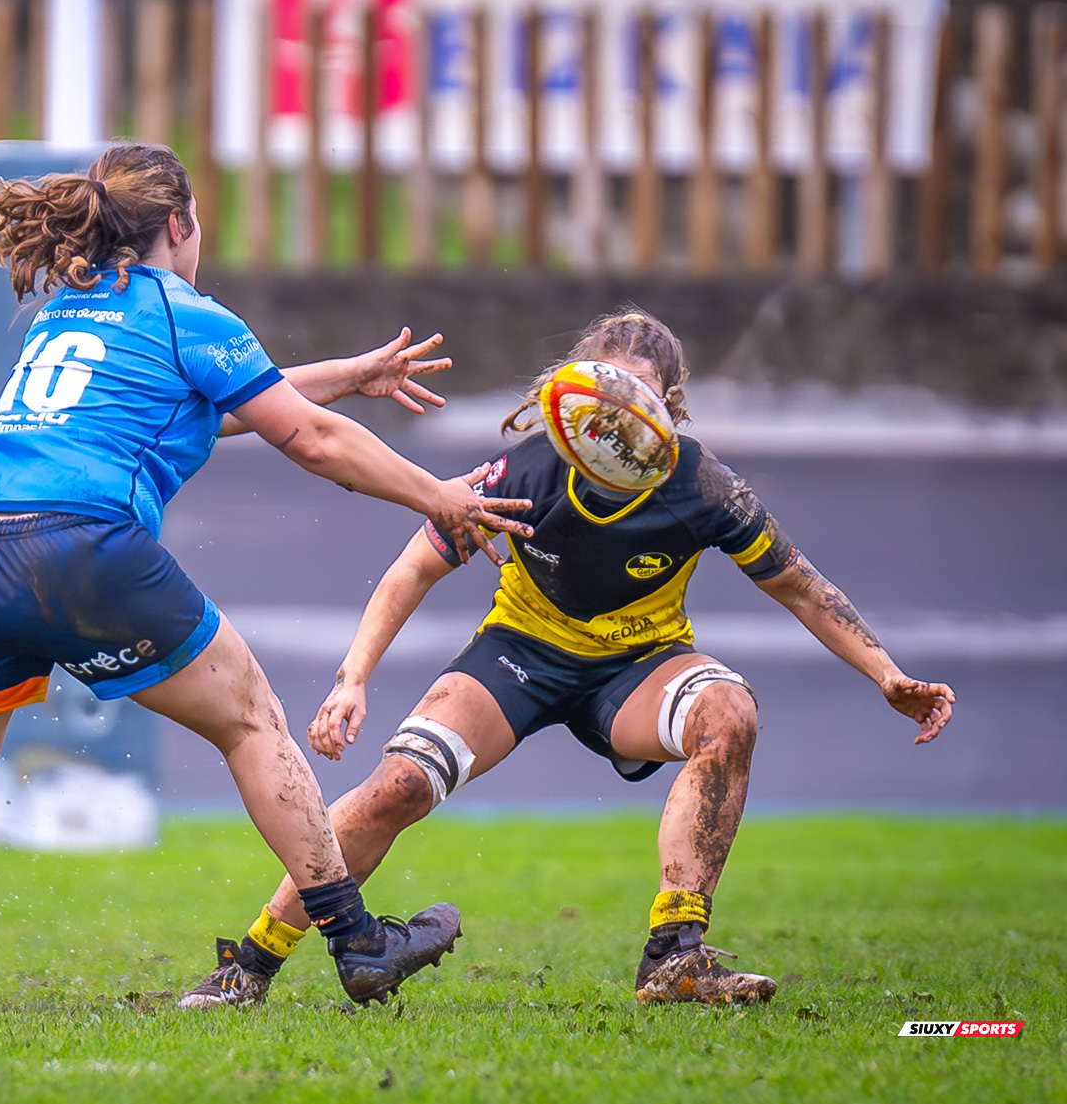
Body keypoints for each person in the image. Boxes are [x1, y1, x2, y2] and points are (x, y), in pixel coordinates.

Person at [0, 142, 534, 1012]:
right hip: (77, 541)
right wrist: (441, 496)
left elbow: (216, 399)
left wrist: (346, 376)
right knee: (252, 722)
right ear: (179, 225)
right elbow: (304, 437)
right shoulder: (186, 310)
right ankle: (357, 943)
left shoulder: (70, 308)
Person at [178, 310, 956, 1009]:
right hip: (519, 654)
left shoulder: (702, 483)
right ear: (568, 394)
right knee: (398, 784)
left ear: (671, 407)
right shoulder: (526, 470)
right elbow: (414, 565)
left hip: (638, 666)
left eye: (639, 399)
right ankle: (249, 965)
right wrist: (352, 679)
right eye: (601, 395)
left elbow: (804, 587)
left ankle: (674, 956)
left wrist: (885, 672)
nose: (615, 418)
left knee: (730, 714)